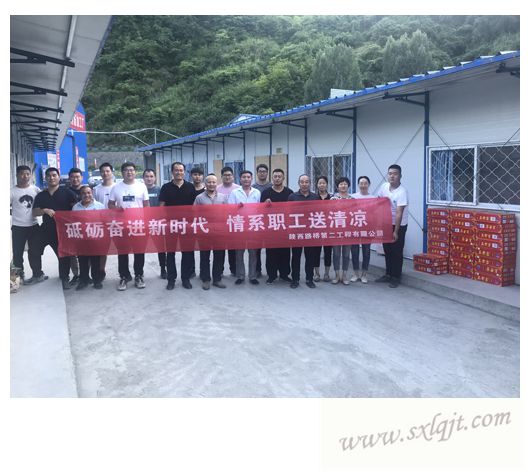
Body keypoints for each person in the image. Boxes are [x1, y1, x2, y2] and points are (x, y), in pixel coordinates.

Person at [32, 167, 77, 289]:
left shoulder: (67, 193)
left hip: (62, 230)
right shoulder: (41, 195)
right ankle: (37, 274)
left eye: (54, 175)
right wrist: (44, 210)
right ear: (45, 178)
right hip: (46, 228)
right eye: (49, 176)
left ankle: (64, 278)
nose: (51, 178)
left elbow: (77, 207)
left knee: (63, 255)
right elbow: (34, 212)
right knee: (34, 249)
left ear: (58, 177)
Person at [108, 162, 150, 291]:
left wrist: (146, 222)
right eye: (126, 170)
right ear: (122, 173)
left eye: (131, 170)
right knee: (122, 252)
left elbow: (146, 205)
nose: (129, 172)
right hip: (122, 226)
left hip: (138, 225)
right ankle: (124, 276)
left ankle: (139, 275)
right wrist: (117, 208)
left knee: (139, 252)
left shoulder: (141, 186)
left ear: (135, 172)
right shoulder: (116, 188)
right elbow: (110, 205)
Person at [159, 162, 196, 290]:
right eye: (176, 170)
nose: (179, 172)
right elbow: (161, 206)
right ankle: (171, 279)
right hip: (171, 226)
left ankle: (185, 278)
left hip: (187, 226)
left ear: (184, 172)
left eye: (181, 170)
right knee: (170, 254)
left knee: (187, 253)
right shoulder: (166, 187)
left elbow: (195, 207)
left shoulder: (190, 187)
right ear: (172, 172)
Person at [10, 165, 47, 284]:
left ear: (31, 175)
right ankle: (18, 277)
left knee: (35, 252)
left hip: (33, 226)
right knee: (17, 253)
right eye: (22, 174)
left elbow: (44, 202)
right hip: (18, 227)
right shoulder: (12, 191)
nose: (25, 176)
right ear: (17, 175)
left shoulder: (35, 190)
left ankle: (38, 274)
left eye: (27, 174)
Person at [376, 164, 409, 288]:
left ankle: (396, 277)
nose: (392, 176)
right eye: (390, 173)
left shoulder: (402, 192)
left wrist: (395, 231)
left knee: (396, 251)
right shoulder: (384, 186)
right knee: (387, 249)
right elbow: (378, 201)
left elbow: (399, 212)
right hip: (386, 223)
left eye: (395, 174)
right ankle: (388, 274)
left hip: (398, 225)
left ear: (400, 176)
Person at [194, 173, 228, 290]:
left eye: (214, 182)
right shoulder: (199, 198)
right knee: (205, 256)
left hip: (219, 232)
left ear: (216, 184)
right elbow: (194, 214)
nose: (211, 184)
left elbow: (227, 213)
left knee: (219, 256)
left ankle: (217, 279)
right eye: (209, 182)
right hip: (204, 232)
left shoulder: (223, 197)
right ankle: (206, 279)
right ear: (205, 183)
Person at [228, 170, 261, 285]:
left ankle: (252, 276)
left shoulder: (257, 192)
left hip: (253, 225)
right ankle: (240, 276)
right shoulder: (234, 193)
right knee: (239, 253)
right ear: (240, 179)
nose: (246, 179)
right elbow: (229, 209)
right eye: (244, 177)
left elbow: (260, 209)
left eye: (248, 177)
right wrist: (237, 207)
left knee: (253, 253)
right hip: (240, 226)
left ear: (251, 179)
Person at [260, 168, 293, 284]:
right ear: (272, 178)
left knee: (285, 252)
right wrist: (265, 205)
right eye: (275, 176)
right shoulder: (266, 193)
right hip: (271, 227)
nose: (277, 178)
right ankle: (272, 275)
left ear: (283, 178)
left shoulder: (289, 192)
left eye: (279, 176)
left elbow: (293, 210)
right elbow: (260, 211)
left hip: (285, 227)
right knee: (271, 253)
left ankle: (284, 274)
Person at [287, 174, 319, 289]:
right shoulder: (292, 196)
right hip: (297, 231)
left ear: (310, 183)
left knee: (310, 257)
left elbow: (319, 213)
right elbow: (288, 213)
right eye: (302, 182)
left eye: (306, 182)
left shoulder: (315, 197)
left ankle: (309, 279)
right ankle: (295, 279)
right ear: (298, 183)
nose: (304, 184)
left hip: (310, 231)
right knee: (296, 257)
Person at [72, 186, 105, 290]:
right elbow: (73, 223)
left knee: (95, 261)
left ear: (92, 193)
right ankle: (84, 280)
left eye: (89, 193)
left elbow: (104, 222)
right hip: (81, 239)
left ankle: (96, 280)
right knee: (82, 260)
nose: (86, 195)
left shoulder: (100, 206)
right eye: (83, 193)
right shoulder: (76, 207)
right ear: (80, 195)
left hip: (95, 238)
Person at [143, 168, 167, 279]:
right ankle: (139, 272)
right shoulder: (140, 189)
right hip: (142, 223)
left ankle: (163, 269)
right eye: (147, 176)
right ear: (143, 178)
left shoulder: (160, 190)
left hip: (157, 224)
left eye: (151, 176)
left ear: (155, 178)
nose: (149, 179)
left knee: (161, 248)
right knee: (140, 248)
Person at [93, 162, 115, 281]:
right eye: (103, 171)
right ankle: (101, 271)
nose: (105, 173)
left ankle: (124, 273)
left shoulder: (117, 187)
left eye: (107, 171)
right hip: (100, 224)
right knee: (102, 249)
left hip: (116, 223)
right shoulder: (96, 189)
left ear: (112, 172)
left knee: (122, 249)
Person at [216, 166, 240, 277]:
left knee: (233, 249)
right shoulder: (216, 189)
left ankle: (234, 270)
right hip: (220, 223)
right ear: (221, 177)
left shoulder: (238, 189)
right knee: (220, 249)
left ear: (233, 176)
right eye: (225, 175)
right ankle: (219, 271)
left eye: (229, 175)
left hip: (234, 222)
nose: (227, 177)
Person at [330, 177, 354, 285]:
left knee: (346, 254)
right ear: (337, 186)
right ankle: (336, 275)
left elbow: (355, 214)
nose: (343, 186)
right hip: (336, 231)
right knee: (336, 254)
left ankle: (344, 275)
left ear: (348, 186)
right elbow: (328, 213)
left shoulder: (352, 199)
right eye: (341, 184)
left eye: (345, 184)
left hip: (348, 230)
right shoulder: (333, 199)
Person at [351, 176, 373, 284]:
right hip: (355, 227)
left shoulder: (373, 198)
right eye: (361, 183)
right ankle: (356, 273)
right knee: (354, 251)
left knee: (366, 252)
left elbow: (375, 213)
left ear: (369, 184)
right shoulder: (353, 197)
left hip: (367, 228)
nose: (363, 185)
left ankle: (364, 274)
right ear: (358, 184)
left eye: (365, 183)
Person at [253, 163, 272, 278]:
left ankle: (271, 271)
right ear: (257, 173)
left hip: (270, 221)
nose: (262, 173)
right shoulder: (253, 187)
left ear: (267, 173)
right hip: (257, 221)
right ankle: (257, 270)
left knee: (270, 248)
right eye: (260, 171)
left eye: (264, 171)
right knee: (257, 248)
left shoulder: (272, 186)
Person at [314, 175, 332, 283]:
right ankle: (316, 274)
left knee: (328, 252)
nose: (322, 185)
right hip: (316, 229)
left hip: (329, 229)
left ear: (327, 184)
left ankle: (326, 274)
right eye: (320, 183)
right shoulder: (313, 197)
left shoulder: (332, 198)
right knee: (316, 252)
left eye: (324, 183)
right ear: (317, 185)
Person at [68, 167, 84, 284]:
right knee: (72, 253)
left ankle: (86, 274)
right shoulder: (65, 192)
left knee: (86, 252)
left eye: (77, 177)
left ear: (82, 178)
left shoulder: (87, 190)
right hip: (71, 227)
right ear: (69, 178)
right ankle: (76, 274)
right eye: (72, 177)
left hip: (86, 227)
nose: (75, 179)